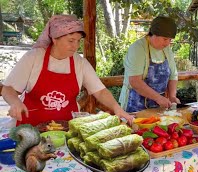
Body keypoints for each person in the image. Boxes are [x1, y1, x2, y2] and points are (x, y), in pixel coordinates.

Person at [1, 15, 133, 126]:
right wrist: (15, 102)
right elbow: (8, 89)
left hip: (66, 129)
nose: (76, 46)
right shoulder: (34, 57)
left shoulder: (80, 63)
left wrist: (117, 108)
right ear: (54, 39)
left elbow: (100, 91)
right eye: (71, 40)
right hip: (30, 129)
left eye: (78, 41)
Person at [119, 16, 180, 113]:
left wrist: (172, 96)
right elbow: (135, 81)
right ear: (154, 34)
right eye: (165, 39)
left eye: (170, 40)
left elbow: (173, 75)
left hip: (159, 105)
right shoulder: (138, 48)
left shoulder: (167, 50)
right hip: (135, 103)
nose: (168, 43)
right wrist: (158, 98)